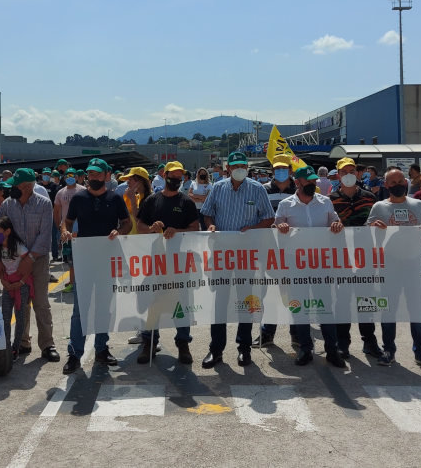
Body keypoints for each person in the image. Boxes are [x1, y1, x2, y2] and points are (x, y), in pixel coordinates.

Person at [200, 151, 275, 369]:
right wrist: (210, 225)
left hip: (246, 256)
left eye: (243, 165)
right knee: (219, 303)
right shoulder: (218, 188)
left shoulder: (257, 189)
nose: (239, 168)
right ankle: (216, 350)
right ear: (228, 169)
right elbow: (207, 212)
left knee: (246, 302)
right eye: (236, 166)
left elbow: (268, 218)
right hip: (221, 255)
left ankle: (244, 348)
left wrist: (253, 228)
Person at [61, 158, 131, 374]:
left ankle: (101, 349)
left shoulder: (115, 198)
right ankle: (75, 353)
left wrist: (120, 231)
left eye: (97, 174)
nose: (93, 177)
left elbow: (127, 222)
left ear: (106, 175)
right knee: (80, 310)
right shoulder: (79, 198)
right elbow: (68, 221)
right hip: (84, 259)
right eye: (90, 174)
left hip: (107, 259)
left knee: (104, 307)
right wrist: (64, 230)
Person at [273, 166, 347, 368]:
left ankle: (332, 350)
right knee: (300, 307)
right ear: (297, 182)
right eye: (308, 181)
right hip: (296, 265)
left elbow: (335, 221)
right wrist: (280, 227)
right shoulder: (286, 204)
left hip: (321, 264)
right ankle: (305, 348)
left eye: (314, 181)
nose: (313, 184)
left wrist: (337, 225)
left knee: (326, 307)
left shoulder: (325, 202)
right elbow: (276, 226)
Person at [366, 167, 421, 369]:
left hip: (414, 265)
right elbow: (366, 233)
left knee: (417, 309)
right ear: (386, 185)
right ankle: (388, 349)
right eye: (393, 183)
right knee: (389, 309)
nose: (398, 185)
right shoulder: (378, 207)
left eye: (400, 181)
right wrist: (373, 229)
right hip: (389, 266)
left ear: (406, 182)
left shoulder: (418, 204)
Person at [135, 161, 199, 364]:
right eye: (173, 176)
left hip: (180, 263)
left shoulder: (186, 202)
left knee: (182, 304)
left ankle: (183, 344)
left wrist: (177, 231)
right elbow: (139, 226)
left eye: (180, 177)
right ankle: (149, 342)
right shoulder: (152, 201)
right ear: (165, 175)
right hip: (155, 262)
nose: (176, 180)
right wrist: (152, 228)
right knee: (152, 302)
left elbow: (195, 229)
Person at [0, 168, 59, 362]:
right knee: (21, 303)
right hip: (12, 261)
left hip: (37, 260)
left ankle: (47, 344)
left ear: (29, 187)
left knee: (40, 302)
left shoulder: (44, 204)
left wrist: (29, 259)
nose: (13, 187)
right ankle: (23, 342)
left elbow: (45, 235)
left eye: (18, 185)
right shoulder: (7, 205)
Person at [327, 157, 384, 359]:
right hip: (341, 258)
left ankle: (369, 342)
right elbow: (324, 228)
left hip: (365, 257)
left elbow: (380, 221)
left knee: (365, 300)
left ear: (358, 174)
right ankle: (342, 343)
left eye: (352, 171)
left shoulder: (370, 197)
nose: (348, 174)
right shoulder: (330, 200)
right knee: (342, 301)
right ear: (338, 175)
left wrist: (378, 225)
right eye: (344, 172)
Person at [0, 216, 30, 359]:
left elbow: (29, 263)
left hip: (21, 285)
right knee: (5, 317)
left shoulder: (18, 246)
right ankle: (5, 347)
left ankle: (16, 348)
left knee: (20, 318)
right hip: (8, 284)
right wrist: (1, 282)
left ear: (7, 231)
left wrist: (21, 282)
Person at [53, 168, 85, 294]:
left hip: (80, 229)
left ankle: (75, 281)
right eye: (67, 175)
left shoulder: (83, 190)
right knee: (69, 258)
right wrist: (59, 227)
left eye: (72, 175)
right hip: (66, 229)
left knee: (80, 257)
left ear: (77, 177)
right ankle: (73, 281)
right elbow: (56, 211)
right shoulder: (60, 193)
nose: (70, 177)